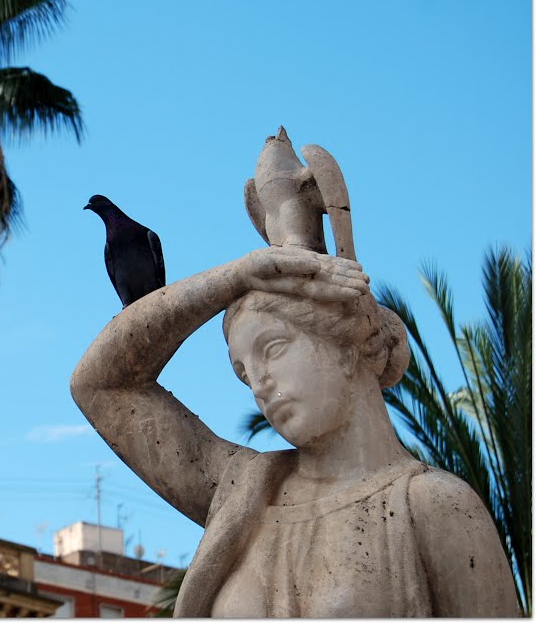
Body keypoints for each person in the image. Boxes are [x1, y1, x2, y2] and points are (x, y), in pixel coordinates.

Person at [70, 245, 519, 617]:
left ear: (347, 348)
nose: (260, 384)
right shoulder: (241, 489)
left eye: (274, 348)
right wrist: (237, 276)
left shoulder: (434, 506)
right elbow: (102, 386)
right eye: (244, 374)